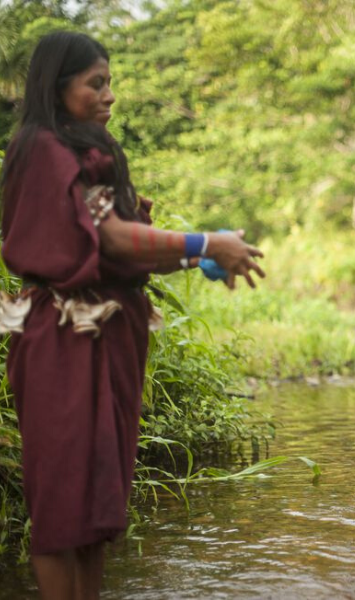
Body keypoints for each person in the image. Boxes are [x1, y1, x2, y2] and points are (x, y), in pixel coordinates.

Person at [0, 31, 265, 598]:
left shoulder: (89, 152)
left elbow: (130, 255)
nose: (110, 96)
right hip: (62, 340)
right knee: (60, 504)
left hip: (109, 340)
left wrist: (202, 255)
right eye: (96, 83)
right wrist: (206, 242)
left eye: (109, 83)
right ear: (57, 85)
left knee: (95, 506)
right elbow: (110, 241)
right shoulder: (42, 149)